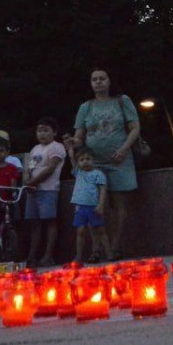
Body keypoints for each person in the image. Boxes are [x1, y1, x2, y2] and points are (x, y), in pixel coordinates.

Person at [69, 68, 139, 258]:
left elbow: (135, 128)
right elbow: (79, 135)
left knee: (119, 206)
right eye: (94, 79)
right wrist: (72, 143)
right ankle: (97, 249)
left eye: (102, 78)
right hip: (93, 162)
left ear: (109, 81)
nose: (98, 82)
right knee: (93, 205)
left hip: (120, 160)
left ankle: (114, 247)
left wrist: (124, 148)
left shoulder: (122, 101)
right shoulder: (86, 107)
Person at [23, 116, 66, 267]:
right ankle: (32, 255)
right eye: (39, 130)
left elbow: (51, 168)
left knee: (49, 222)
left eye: (46, 130)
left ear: (54, 132)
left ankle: (48, 255)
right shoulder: (35, 149)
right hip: (33, 191)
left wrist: (33, 182)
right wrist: (28, 180)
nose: (42, 134)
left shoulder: (57, 147)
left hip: (48, 190)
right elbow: (29, 167)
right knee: (34, 223)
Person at [66, 143, 112, 263]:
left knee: (101, 230)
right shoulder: (78, 173)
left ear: (93, 160)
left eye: (88, 159)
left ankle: (109, 253)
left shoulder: (98, 174)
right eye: (81, 160)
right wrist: (70, 151)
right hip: (80, 208)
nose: (85, 162)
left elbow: (103, 190)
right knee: (80, 231)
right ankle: (79, 256)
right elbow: (72, 160)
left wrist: (101, 205)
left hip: (93, 207)